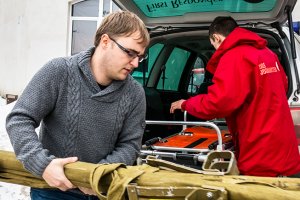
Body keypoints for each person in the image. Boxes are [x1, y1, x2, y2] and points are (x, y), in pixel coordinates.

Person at [6, 10, 150, 199]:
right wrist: (43, 164)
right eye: (130, 53)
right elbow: (19, 119)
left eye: (140, 56)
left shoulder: (135, 93)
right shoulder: (58, 71)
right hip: (52, 191)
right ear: (105, 41)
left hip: (104, 191)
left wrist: (97, 176)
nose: (136, 63)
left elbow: (130, 145)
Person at [170, 16, 300, 177]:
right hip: (283, 148)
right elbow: (283, 85)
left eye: (214, 45)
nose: (216, 50)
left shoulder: (234, 56)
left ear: (216, 37)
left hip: (259, 150)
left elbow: (217, 103)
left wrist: (185, 104)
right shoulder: (267, 54)